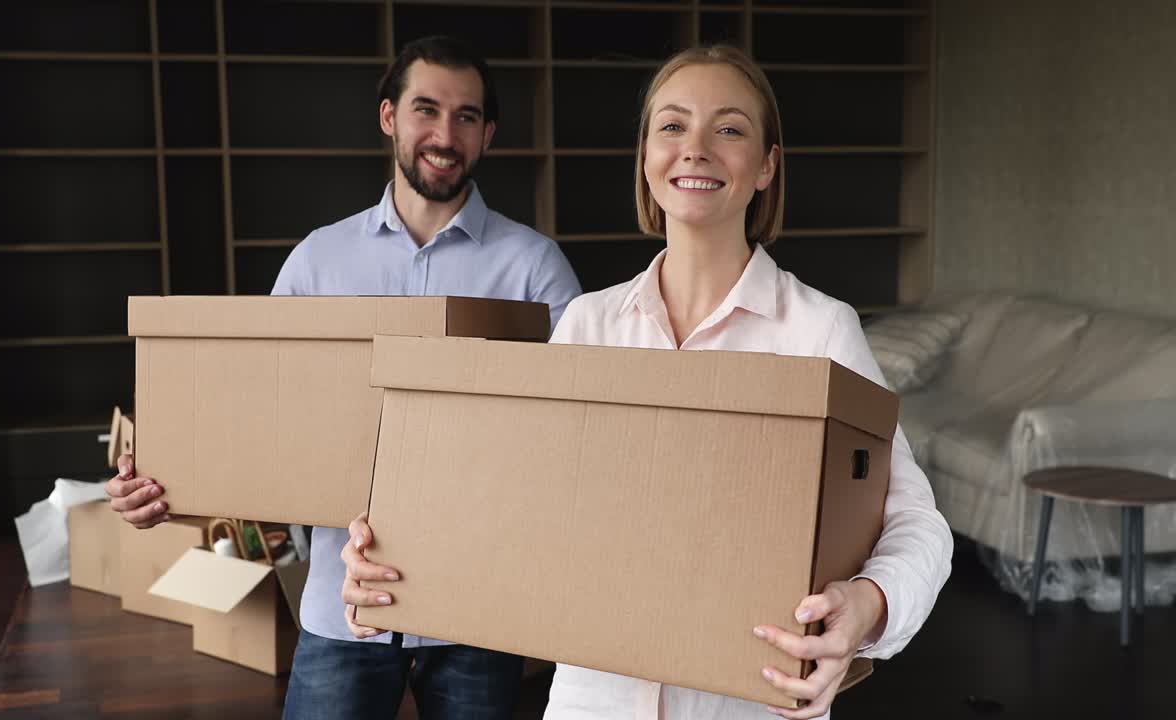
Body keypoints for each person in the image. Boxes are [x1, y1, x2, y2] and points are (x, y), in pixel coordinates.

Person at [343, 45, 952, 720]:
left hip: (749, 704)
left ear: (767, 165)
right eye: (672, 126)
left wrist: (866, 605)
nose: (696, 149)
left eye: (729, 129)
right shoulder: (590, 323)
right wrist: (399, 558)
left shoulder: (820, 332)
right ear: (644, 157)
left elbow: (917, 522)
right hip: (593, 703)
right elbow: (519, 505)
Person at [106, 36, 582, 720]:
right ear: (389, 117)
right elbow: (255, 419)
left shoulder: (536, 269)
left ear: (489, 134)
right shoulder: (318, 261)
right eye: (426, 110)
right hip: (342, 603)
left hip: (482, 613)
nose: (444, 135)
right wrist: (163, 483)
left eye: (467, 117)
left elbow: (575, 433)